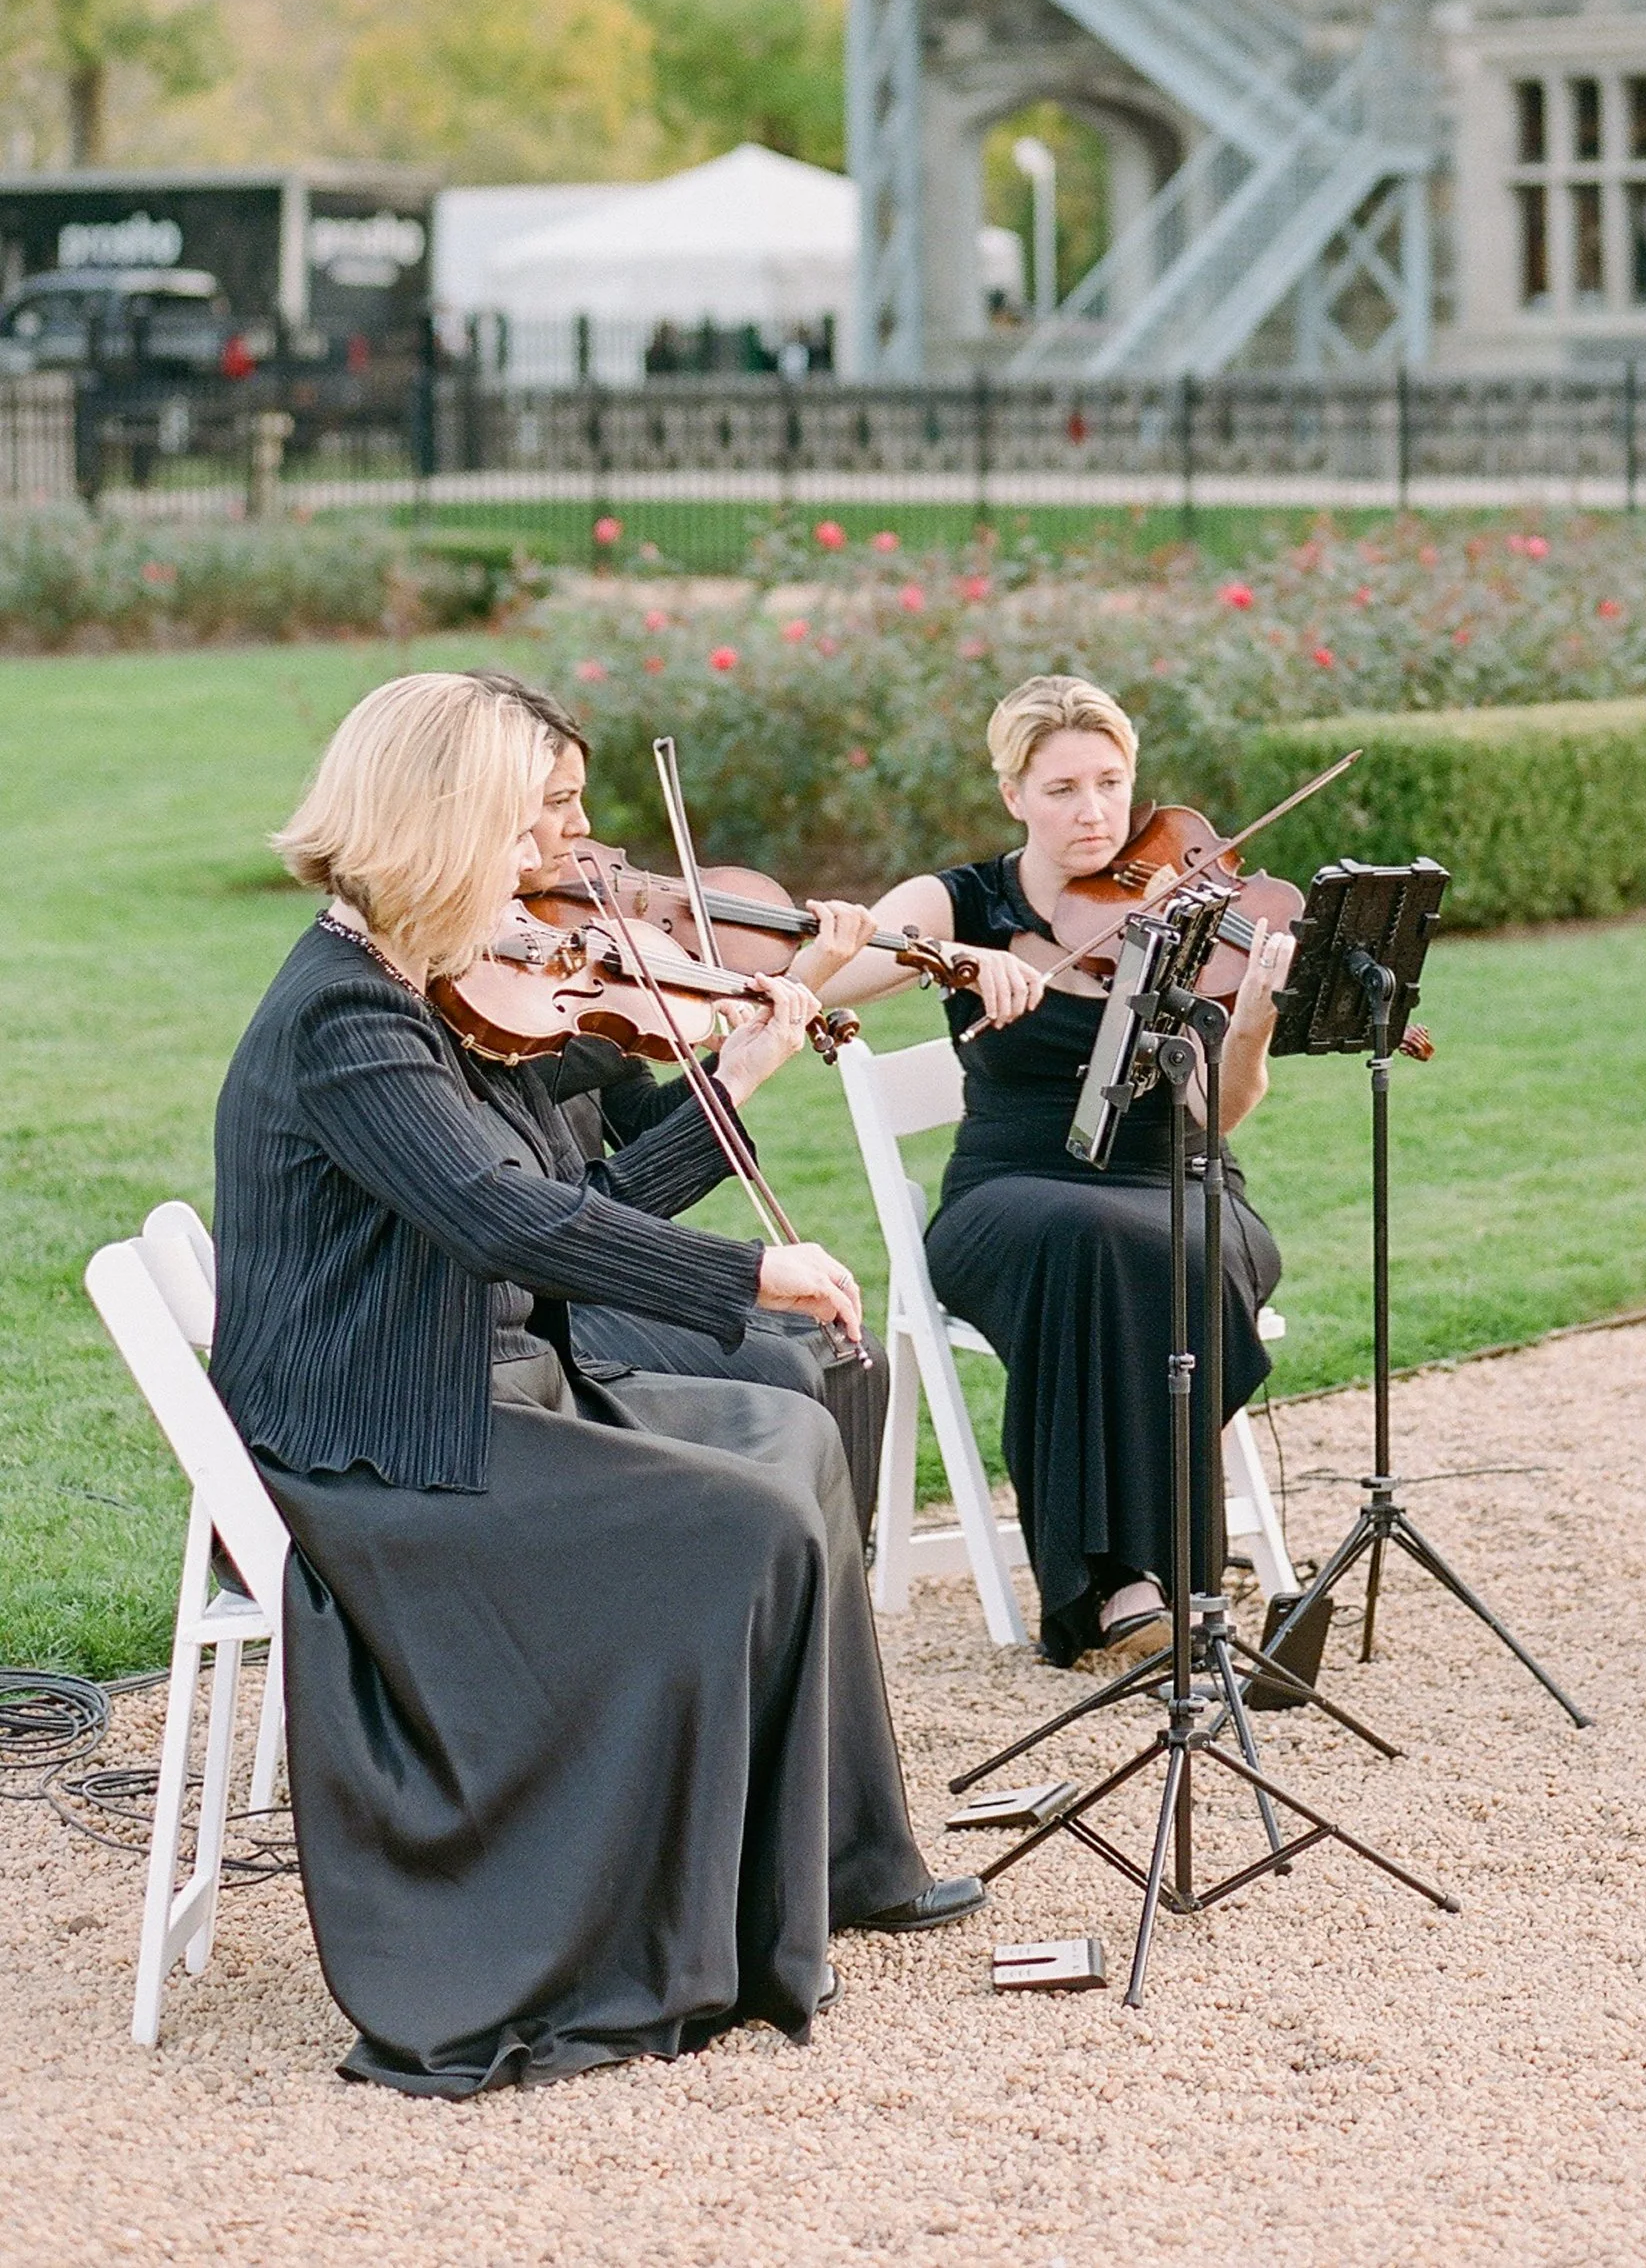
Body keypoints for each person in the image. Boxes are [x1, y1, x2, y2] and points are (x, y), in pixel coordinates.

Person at [209, 672, 980, 2099]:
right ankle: (661, 1937)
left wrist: (743, 1061)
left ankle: (839, 1863)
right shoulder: (349, 1020)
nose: (553, 857)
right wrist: (751, 1276)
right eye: (524, 822)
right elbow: (508, 1225)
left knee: (794, 1435)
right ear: (442, 819)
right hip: (390, 1441)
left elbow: (598, 1189)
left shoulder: (434, 981)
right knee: (742, 1521)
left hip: (483, 1382)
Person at [800, 673, 1295, 1668]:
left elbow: (1220, 1111)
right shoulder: (964, 898)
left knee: (1172, 1236)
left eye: (1112, 781)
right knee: (1096, 1241)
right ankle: (1124, 1583)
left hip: (1171, 1176)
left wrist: (1253, 1019)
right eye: (1064, 786)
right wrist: (948, 955)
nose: (1095, 810)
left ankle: (1159, 1570)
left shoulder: (1183, 905)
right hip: (1010, 1191)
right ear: (1013, 793)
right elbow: (817, 974)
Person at [448, 669, 891, 1543]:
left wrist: (740, 1056)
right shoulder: (481, 996)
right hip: (539, 1312)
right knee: (784, 1366)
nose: (585, 834)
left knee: (846, 1353)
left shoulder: (558, 968)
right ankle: (782, 1578)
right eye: (559, 800)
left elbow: (645, 1134)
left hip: (577, 1266)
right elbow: (568, 1216)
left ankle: (837, 1581)